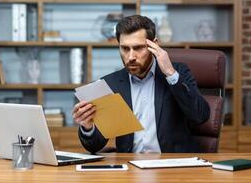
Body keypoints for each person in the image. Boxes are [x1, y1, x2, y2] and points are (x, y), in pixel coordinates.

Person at [73, 15, 210, 153]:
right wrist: (88, 127)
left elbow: (200, 116)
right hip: (129, 167)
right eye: (125, 49)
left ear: (154, 45)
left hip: (171, 165)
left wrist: (170, 73)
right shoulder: (110, 84)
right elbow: (94, 145)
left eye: (138, 48)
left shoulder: (178, 72)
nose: (131, 57)